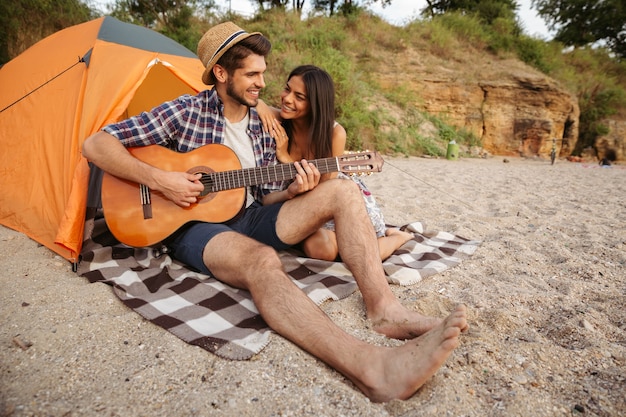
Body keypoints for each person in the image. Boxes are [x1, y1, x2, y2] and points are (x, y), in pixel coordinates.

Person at [82, 21, 468, 402]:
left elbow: (266, 198)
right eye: (252, 74)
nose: (262, 84)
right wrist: (161, 180)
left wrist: (292, 191)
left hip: (249, 214)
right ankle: (372, 368)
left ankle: (385, 310)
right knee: (263, 261)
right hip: (192, 226)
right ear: (220, 72)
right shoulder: (184, 112)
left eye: (264, 74)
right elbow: (97, 145)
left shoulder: (264, 125)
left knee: (344, 190)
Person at [256, 65, 413, 261]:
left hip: (334, 200)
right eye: (287, 89)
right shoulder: (279, 119)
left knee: (356, 256)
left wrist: (285, 156)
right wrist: (261, 104)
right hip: (302, 205)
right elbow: (253, 104)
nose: (287, 99)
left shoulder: (334, 133)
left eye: (299, 97)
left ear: (316, 103)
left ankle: (398, 237)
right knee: (320, 250)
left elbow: (323, 191)